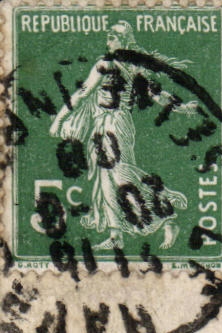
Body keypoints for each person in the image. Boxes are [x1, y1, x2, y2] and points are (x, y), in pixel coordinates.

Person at [48, 22, 192, 250]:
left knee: (119, 173)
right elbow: (84, 92)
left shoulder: (133, 66)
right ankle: (116, 235)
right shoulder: (105, 64)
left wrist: (180, 107)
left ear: (125, 40)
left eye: (114, 35)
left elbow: (155, 93)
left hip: (117, 123)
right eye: (109, 35)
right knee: (107, 181)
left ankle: (165, 205)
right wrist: (60, 118)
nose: (110, 39)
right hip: (101, 125)